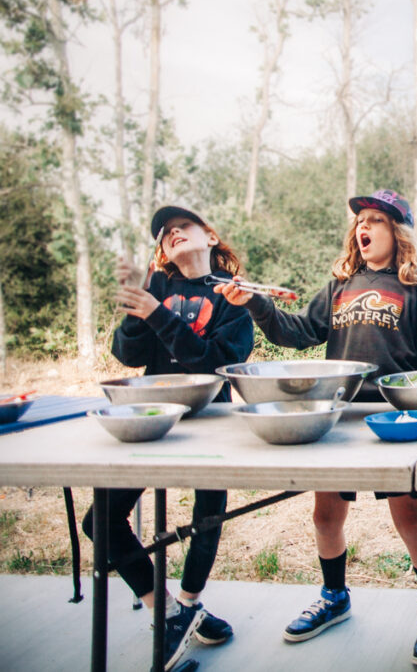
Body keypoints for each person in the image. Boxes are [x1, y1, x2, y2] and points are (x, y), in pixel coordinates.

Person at [216, 189, 417, 667]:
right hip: (340, 415)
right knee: (326, 516)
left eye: (376, 221)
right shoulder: (339, 286)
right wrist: (254, 305)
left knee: (409, 518)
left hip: (393, 416)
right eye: (360, 221)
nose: (363, 228)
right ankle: (334, 595)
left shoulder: (414, 289)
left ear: (397, 233)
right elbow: (298, 333)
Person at [84, 205, 255, 671]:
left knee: (208, 515)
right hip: (154, 421)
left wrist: (158, 313)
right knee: (100, 520)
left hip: (212, 423)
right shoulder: (157, 286)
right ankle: (171, 612)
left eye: (183, 226)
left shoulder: (232, 297)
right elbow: (128, 354)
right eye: (165, 234)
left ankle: (189, 600)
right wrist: (138, 303)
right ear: (161, 252)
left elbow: (216, 363)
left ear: (211, 236)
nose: (173, 233)